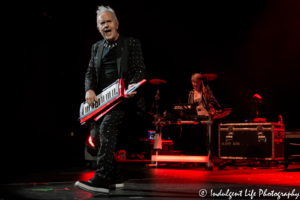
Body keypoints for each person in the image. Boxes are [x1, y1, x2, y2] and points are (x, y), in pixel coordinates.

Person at [75, 5, 146, 195]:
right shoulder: (96, 47)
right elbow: (90, 72)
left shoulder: (131, 43)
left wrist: (132, 86)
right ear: (98, 28)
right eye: (101, 23)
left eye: (108, 22)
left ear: (116, 24)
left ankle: (101, 178)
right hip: (102, 101)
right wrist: (89, 89)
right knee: (96, 137)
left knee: (107, 128)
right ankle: (115, 177)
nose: (105, 26)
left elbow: (140, 70)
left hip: (123, 99)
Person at [187, 73, 215, 155]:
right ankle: (193, 156)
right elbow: (189, 106)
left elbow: (211, 103)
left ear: (200, 82)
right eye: (193, 82)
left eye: (196, 82)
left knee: (203, 138)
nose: (194, 84)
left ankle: (205, 155)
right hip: (195, 116)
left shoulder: (205, 91)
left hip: (204, 115)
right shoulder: (191, 93)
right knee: (193, 136)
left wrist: (206, 93)